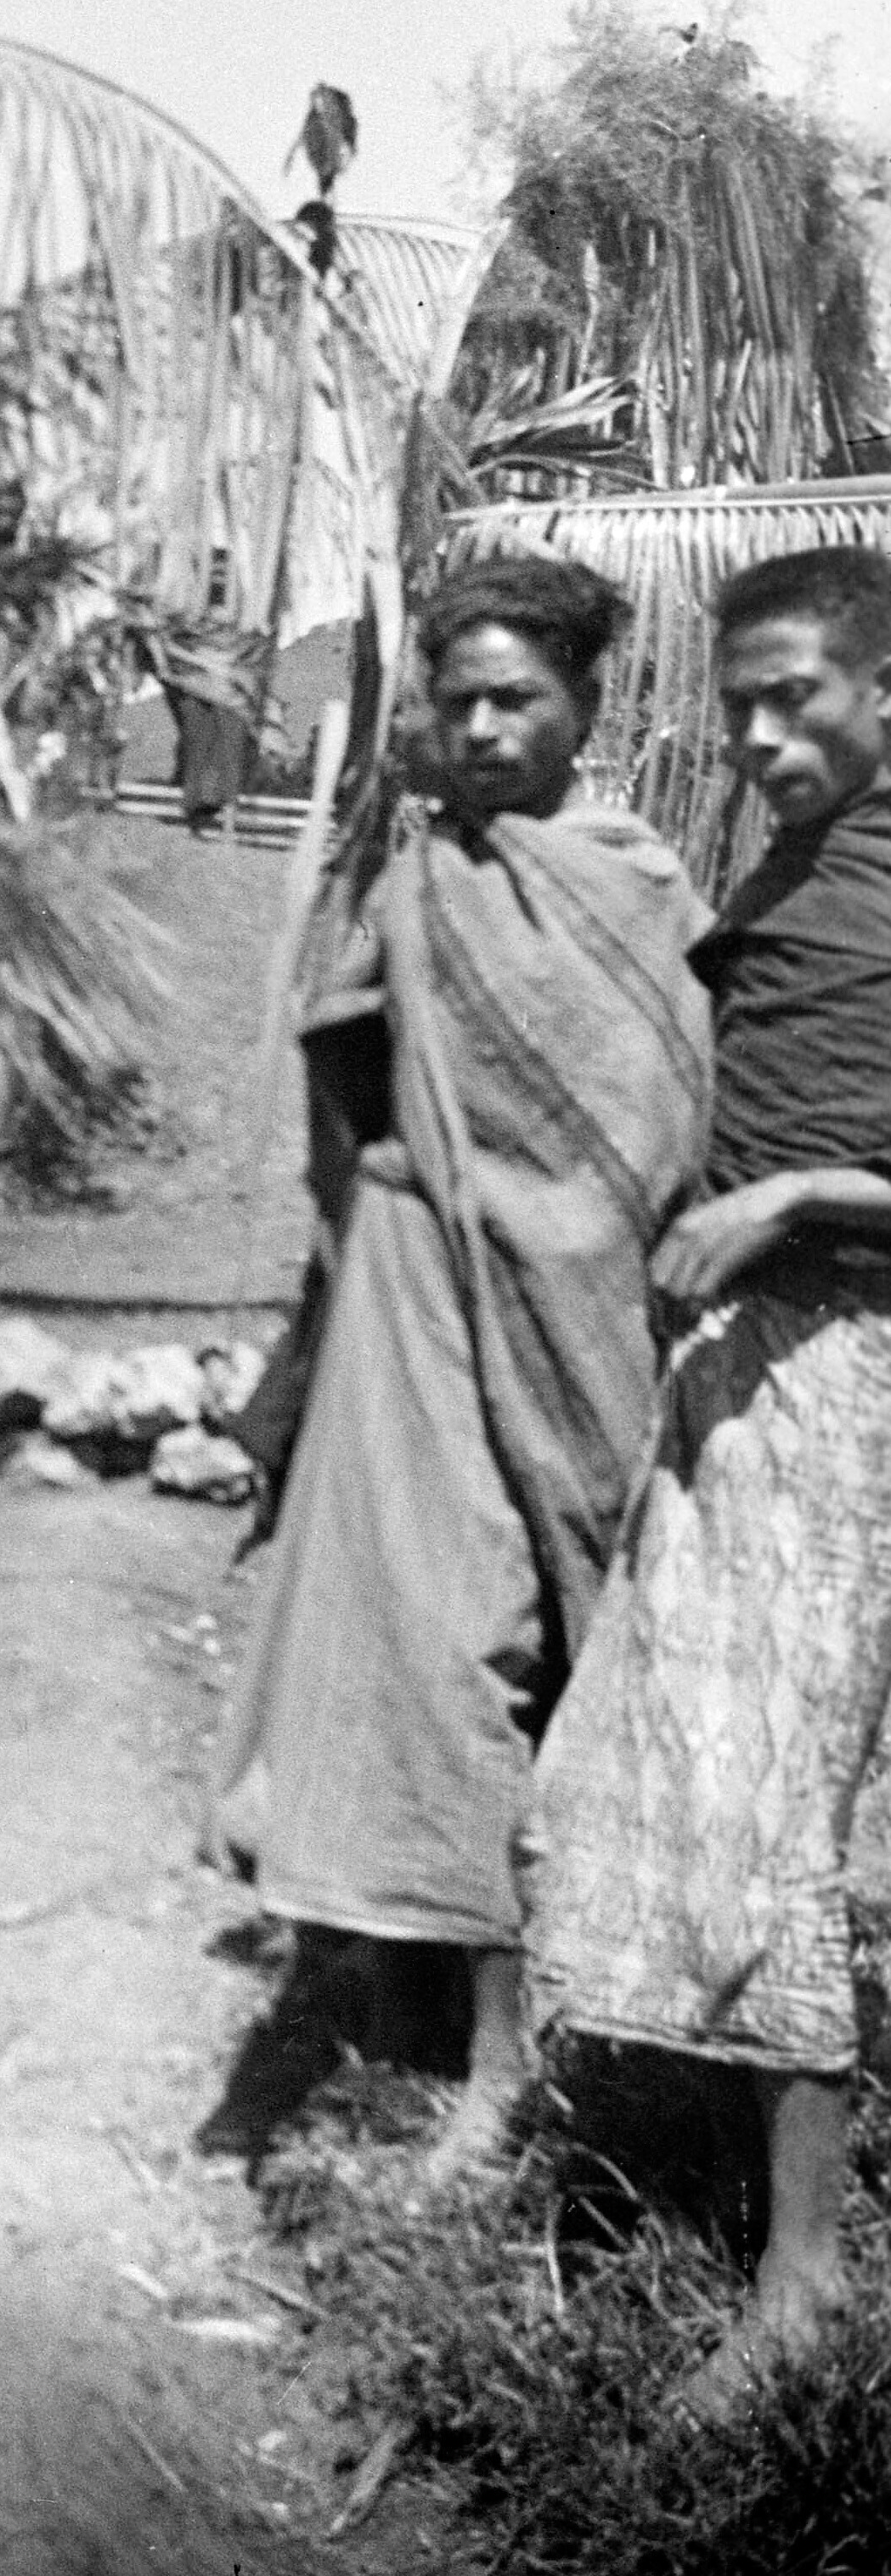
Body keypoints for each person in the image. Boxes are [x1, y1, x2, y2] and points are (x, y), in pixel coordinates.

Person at [209, 553, 711, 2165]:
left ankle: (580, 2017)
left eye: (519, 700)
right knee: (441, 1647)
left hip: (591, 1329)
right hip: (419, 1304)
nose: (486, 729)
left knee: (574, 1655)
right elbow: (345, 1093)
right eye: (460, 701)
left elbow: (658, 1135)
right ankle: (480, 2051)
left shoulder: (639, 891)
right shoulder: (413, 886)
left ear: (585, 707)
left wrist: (552, 1235)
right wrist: (384, 1227)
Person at [527, 544, 891, 2411]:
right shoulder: (798, 870)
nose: (752, 735)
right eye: (736, 703)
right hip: (751, 1365)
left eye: (791, 698)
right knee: (719, 1776)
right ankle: (705, 2147)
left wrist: (800, 1194)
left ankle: (805, 2278)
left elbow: (820, 1164)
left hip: (857, 1376)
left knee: (777, 1808)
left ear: (885, 691)